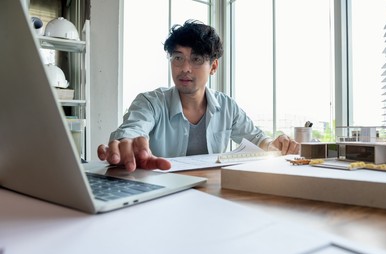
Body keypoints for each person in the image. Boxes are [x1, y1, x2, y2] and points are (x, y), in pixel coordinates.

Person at [97, 20, 300, 172]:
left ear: (213, 66)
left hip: (213, 190)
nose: (185, 68)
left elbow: (257, 138)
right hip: (162, 191)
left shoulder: (227, 106)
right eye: (178, 58)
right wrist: (127, 144)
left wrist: (273, 145)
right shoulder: (150, 102)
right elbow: (132, 130)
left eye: (196, 59)